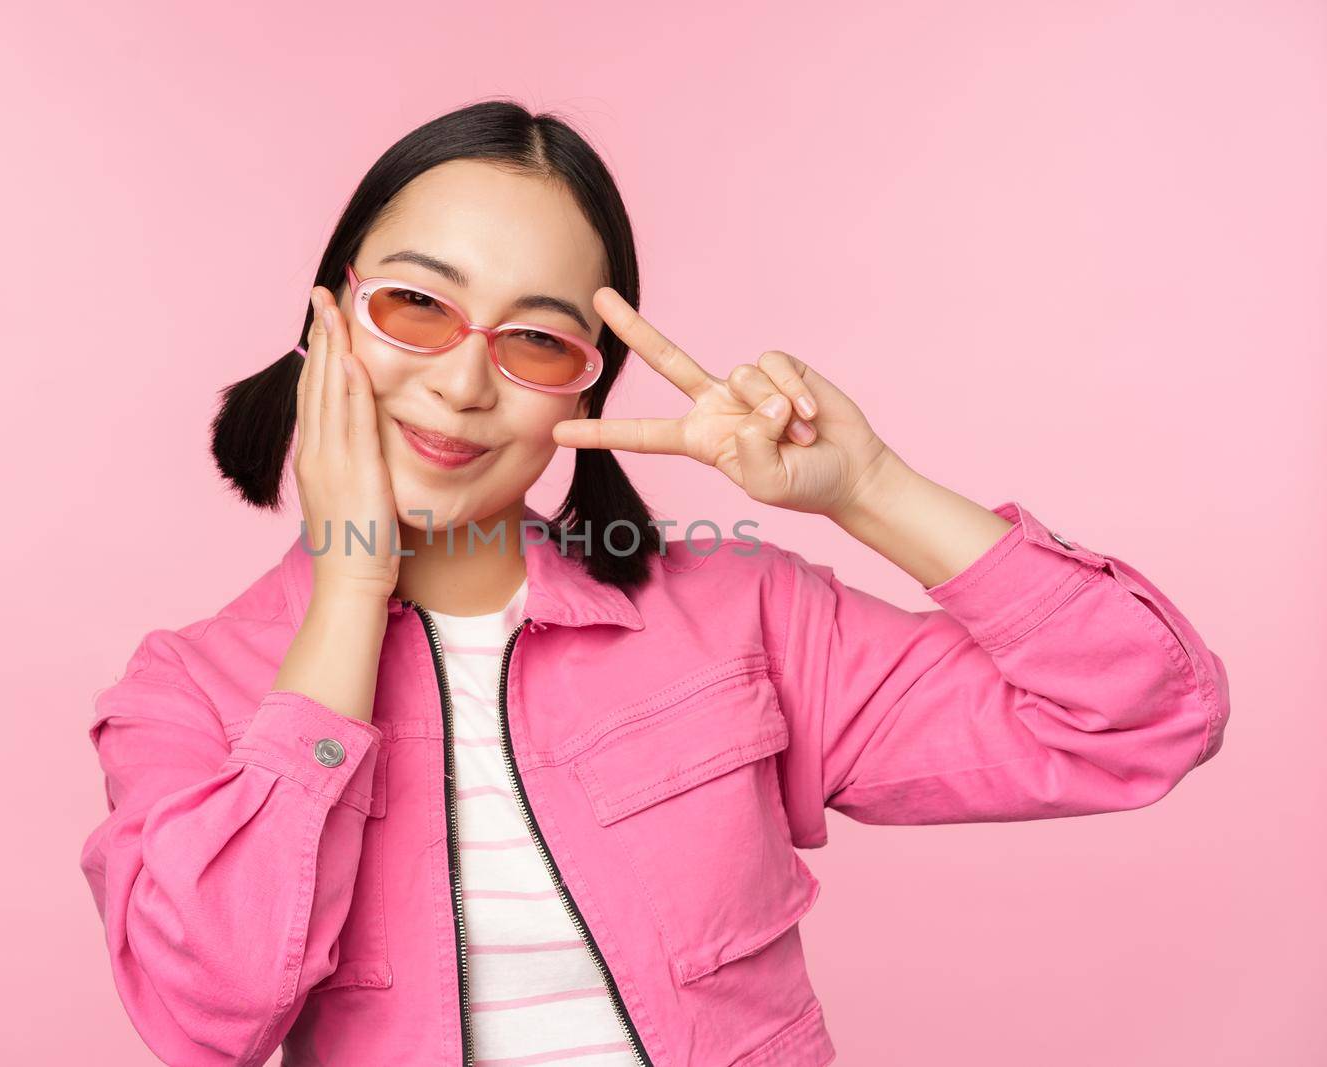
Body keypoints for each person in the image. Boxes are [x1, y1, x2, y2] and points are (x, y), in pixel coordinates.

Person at [78, 99, 1230, 1067]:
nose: (465, 383)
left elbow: (1142, 713)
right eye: (416, 306)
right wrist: (347, 587)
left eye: (534, 339)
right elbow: (205, 1012)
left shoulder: (741, 615)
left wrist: (868, 485)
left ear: (584, 390)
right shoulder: (192, 687)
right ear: (325, 318)